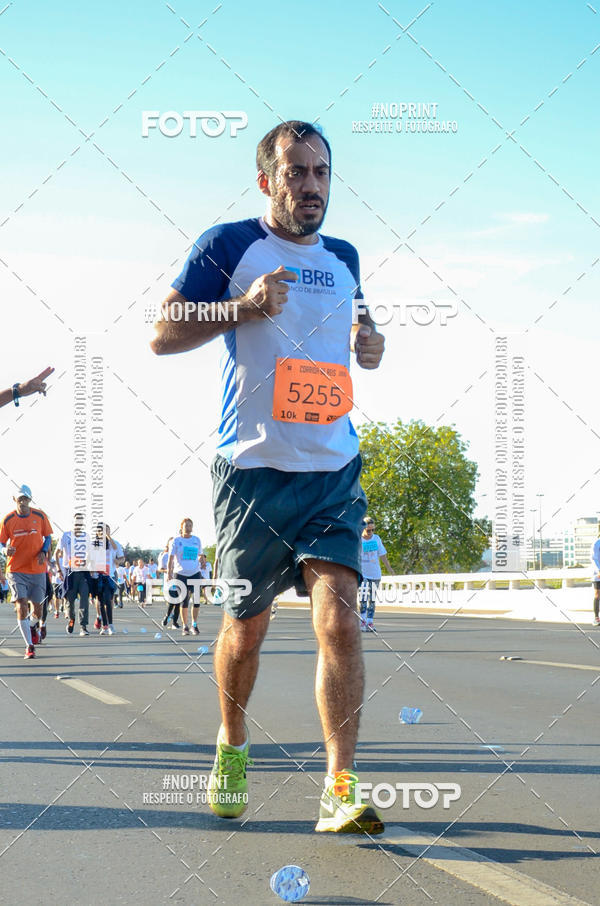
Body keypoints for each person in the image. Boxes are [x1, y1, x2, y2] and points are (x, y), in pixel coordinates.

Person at [151, 120, 385, 834]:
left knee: (340, 618)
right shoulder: (228, 245)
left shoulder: (344, 256)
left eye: (320, 172)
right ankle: (232, 743)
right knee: (245, 632)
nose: (310, 185)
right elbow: (162, 332)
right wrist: (243, 307)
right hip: (250, 471)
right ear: (267, 181)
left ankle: (339, 787)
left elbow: (358, 338)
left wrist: (370, 346)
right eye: (296, 173)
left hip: (331, 468)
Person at [0, 485, 53, 659]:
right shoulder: (8, 520)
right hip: (16, 569)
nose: (23, 502)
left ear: (30, 500)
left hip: (37, 569)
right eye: (20, 499)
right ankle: (29, 645)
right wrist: (4, 550)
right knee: (21, 604)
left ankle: (32, 625)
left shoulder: (40, 515)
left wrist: (44, 551)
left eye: (26, 499)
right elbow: (1, 543)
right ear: (14, 499)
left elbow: (48, 537)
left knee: (38, 609)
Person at [57, 515, 92, 636]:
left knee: (84, 599)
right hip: (70, 572)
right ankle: (71, 620)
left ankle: (83, 626)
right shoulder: (65, 535)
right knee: (70, 600)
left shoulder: (86, 536)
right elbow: (57, 552)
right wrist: (58, 569)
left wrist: (86, 560)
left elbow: (89, 552)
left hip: (83, 572)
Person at [166, 520, 202, 635]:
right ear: (182, 527)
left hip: (195, 572)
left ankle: (194, 625)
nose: (188, 527)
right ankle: (185, 626)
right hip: (180, 574)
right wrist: (169, 573)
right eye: (186, 525)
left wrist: (202, 561)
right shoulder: (176, 541)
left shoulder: (196, 540)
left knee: (196, 601)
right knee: (184, 601)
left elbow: (200, 555)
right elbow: (171, 558)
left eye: (190, 525)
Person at [358, 516, 392, 632]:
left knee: (372, 599)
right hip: (363, 573)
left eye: (373, 530)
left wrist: (389, 568)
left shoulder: (376, 539)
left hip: (375, 573)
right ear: (363, 528)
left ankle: (369, 622)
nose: (371, 532)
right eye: (368, 530)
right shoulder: (358, 540)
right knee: (363, 598)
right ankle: (362, 621)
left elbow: (382, 554)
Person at [590, 529, 600, 626]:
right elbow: (594, 559)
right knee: (597, 595)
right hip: (598, 574)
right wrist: (599, 570)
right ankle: (596, 618)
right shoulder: (596, 543)